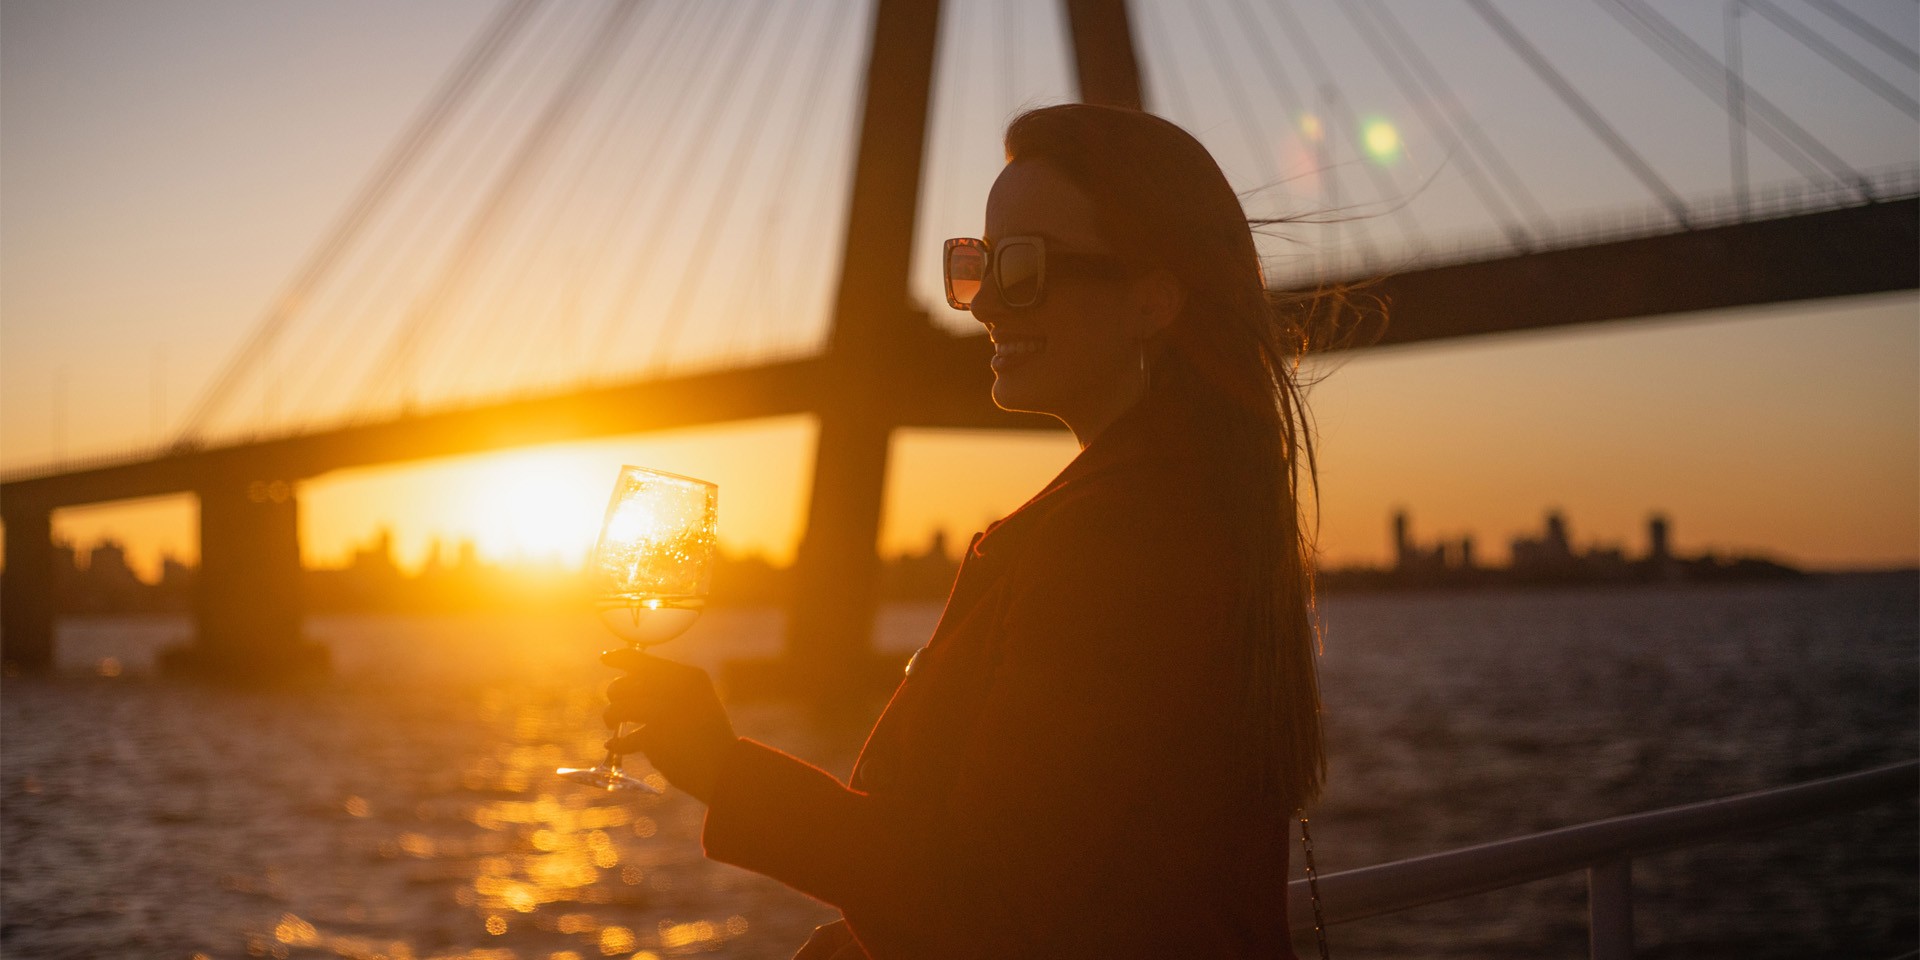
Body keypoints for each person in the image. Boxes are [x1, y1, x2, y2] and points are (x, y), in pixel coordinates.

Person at [603, 103, 1329, 959]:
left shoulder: (1119, 544)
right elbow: (1077, 881)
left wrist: (722, 768)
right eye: (975, 264)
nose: (984, 305)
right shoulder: (1184, 505)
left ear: (1152, 299)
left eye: (1023, 268)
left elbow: (986, 903)